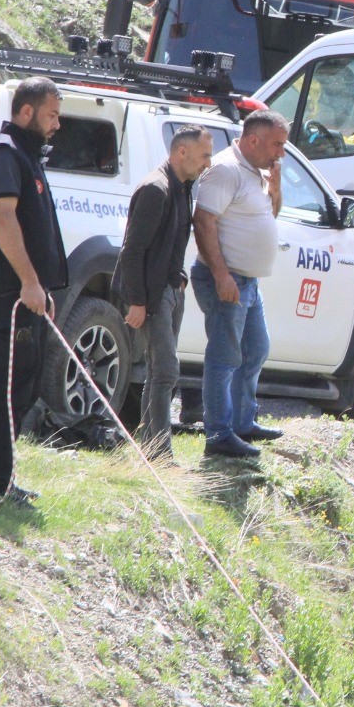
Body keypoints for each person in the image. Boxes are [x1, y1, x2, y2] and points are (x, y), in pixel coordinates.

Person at [0, 76, 69, 506]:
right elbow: (4, 220)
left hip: (29, 293)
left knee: (23, 385)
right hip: (9, 294)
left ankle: (5, 479)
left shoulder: (29, 156)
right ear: (25, 112)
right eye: (51, 115)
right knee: (6, 388)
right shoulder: (6, 154)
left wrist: (42, 286)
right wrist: (29, 282)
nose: (57, 125)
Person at [190, 110, 289, 459]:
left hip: (248, 282)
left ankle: (244, 422)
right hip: (226, 280)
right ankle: (219, 434)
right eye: (277, 144)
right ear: (253, 140)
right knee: (225, 356)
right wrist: (221, 275)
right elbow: (203, 222)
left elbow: (269, 214)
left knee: (256, 349)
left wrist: (275, 188)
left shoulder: (257, 171)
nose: (281, 152)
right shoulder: (225, 169)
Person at [116, 125, 213, 460]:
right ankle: (160, 455)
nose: (208, 163)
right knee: (167, 371)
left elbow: (172, 244)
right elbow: (132, 251)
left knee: (158, 372)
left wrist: (181, 279)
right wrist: (138, 302)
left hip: (172, 290)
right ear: (181, 152)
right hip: (153, 296)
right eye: (204, 156)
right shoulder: (155, 188)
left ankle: (149, 448)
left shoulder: (183, 187)